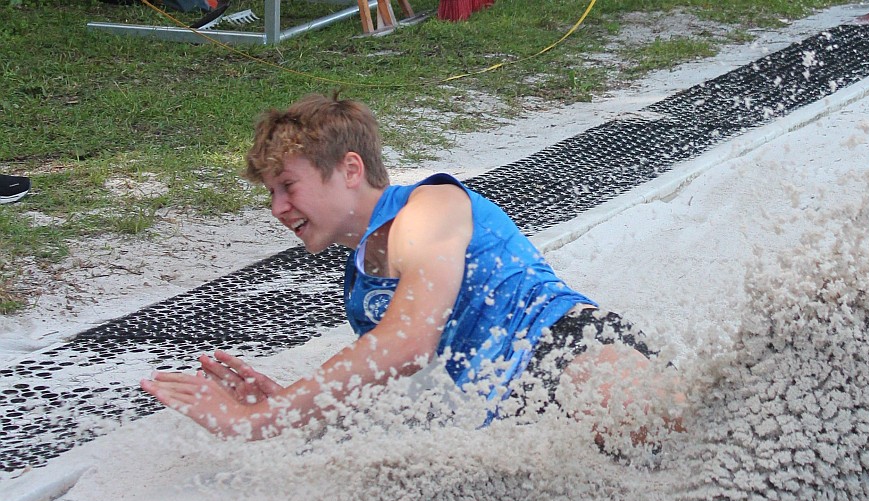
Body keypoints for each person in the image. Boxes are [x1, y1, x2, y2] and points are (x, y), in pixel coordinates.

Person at [141, 92, 663, 441]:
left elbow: (409, 343)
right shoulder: (358, 280)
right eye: (271, 193)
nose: (277, 208)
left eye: (289, 186)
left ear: (350, 169)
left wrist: (265, 419)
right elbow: (396, 383)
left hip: (569, 350)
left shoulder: (428, 208)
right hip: (517, 416)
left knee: (690, 452)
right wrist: (300, 409)